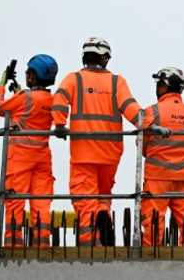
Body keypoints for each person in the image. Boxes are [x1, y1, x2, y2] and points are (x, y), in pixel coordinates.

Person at [51, 37, 141, 247]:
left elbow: (59, 99)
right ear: (105, 58)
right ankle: (103, 216)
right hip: (110, 152)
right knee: (103, 194)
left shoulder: (74, 79)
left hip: (83, 152)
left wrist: (59, 124)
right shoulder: (117, 82)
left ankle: (89, 241)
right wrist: (147, 124)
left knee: (84, 196)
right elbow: (131, 108)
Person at [0, 54, 57, 247]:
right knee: (41, 201)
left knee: (14, 200)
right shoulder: (53, 99)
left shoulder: (24, 98)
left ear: (32, 76)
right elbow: (31, 109)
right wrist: (19, 94)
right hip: (42, 158)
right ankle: (42, 243)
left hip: (20, 158)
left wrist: (1, 86)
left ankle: (13, 243)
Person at [140, 67, 184, 246]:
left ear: (165, 86)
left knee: (154, 219)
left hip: (158, 176)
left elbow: (142, 146)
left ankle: (152, 258)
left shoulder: (152, 111)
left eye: (159, 84)